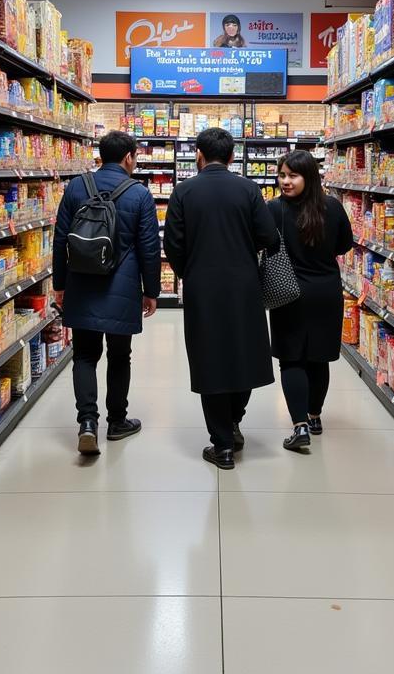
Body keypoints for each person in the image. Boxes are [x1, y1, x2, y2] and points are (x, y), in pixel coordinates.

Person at [163, 127, 277, 469]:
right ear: (231, 157)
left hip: (202, 288)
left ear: (199, 154)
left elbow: (172, 246)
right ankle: (235, 419)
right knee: (244, 352)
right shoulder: (249, 189)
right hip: (244, 286)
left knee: (209, 358)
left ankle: (222, 444)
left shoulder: (183, 192)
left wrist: (190, 272)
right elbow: (269, 236)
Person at [53, 131, 161, 455]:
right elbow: (149, 248)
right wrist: (151, 290)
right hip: (122, 287)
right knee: (119, 355)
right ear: (129, 157)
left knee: (84, 355)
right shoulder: (139, 194)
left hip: (82, 284)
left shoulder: (76, 186)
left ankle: (87, 423)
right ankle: (117, 422)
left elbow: (61, 240)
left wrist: (60, 285)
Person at [267, 149, 354, 452]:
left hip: (288, 293)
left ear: (309, 177)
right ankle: (314, 417)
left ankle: (300, 425)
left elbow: (261, 244)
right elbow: (344, 245)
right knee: (318, 358)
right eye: (282, 175)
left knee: (293, 359)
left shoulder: (274, 210)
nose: (285, 181)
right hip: (327, 292)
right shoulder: (333, 207)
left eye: (292, 175)